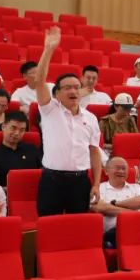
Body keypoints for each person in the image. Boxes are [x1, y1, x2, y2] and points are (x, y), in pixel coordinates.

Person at [34, 27, 103, 216]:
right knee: (48, 224)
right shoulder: (50, 110)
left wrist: (96, 183)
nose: (73, 91)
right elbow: (39, 81)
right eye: (67, 88)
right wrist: (49, 49)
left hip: (80, 181)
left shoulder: (91, 118)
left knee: (77, 226)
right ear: (57, 94)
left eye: (76, 87)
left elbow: (94, 151)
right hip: (52, 180)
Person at [92, 156, 140, 248]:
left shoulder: (137, 187)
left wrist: (114, 204)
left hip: (136, 230)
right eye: (117, 168)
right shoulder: (98, 189)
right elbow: (100, 207)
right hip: (112, 233)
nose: (121, 171)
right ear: (106, 171)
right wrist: (135, 214)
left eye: (124, 168)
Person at [0, 111, 42, 187]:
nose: (17, 133)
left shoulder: (32, 149)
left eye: (22, 130)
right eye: (13, 128)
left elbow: (43, 173)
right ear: (3, 127)